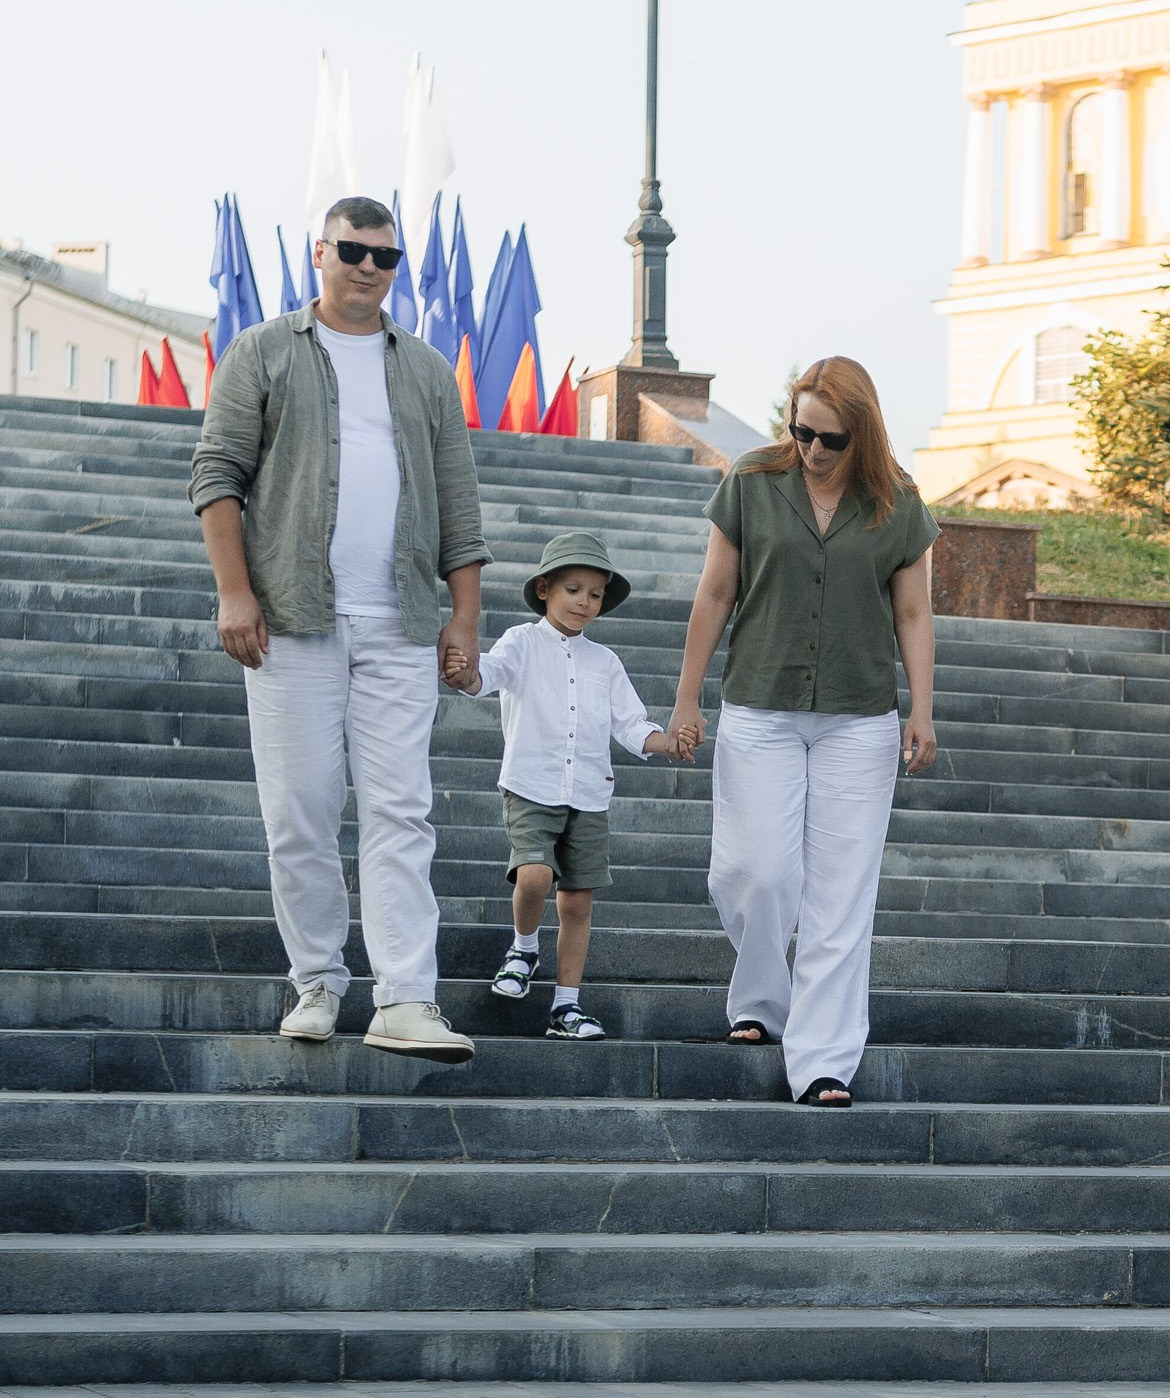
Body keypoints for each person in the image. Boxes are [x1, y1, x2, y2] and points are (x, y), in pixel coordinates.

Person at [191, 197, 484, 1063]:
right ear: (319, 253)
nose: (367, 267)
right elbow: (217, 474)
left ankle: (407, 997)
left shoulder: (428, 371)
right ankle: (317, 979)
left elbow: (460, 505)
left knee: (402, 811)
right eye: (352, 250)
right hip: (291, 619)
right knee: (300, 810)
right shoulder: (263, 352)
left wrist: (465, 615)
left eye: (384, 257)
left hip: (400, 622)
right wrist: (234, 593)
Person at [668, 356, 937, 1105]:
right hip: (760, 706)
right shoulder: (753, 481)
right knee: (755, 872)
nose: (813, 449)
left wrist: (921, 708)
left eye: (831, 439)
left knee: (840, 897)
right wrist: (687, 700)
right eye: (802, 431)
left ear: (863, 434)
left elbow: (913, 612)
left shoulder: (898, 502)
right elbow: (714, 594)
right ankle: (760, 996)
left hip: (859, 719)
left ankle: (823, 1060)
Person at [467, 529, 688, 1041]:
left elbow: (631, 724)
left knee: (577, 902)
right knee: (534, 877)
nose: (584, 602)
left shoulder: (604, 662)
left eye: (595, 594)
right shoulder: (521, 641)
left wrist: (668, 741)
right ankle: (523, 949)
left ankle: (566, 1007)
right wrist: (465, 673)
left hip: (588, 794)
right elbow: (488, 675)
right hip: (531, 786)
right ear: (544, 589)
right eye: (573, 589)